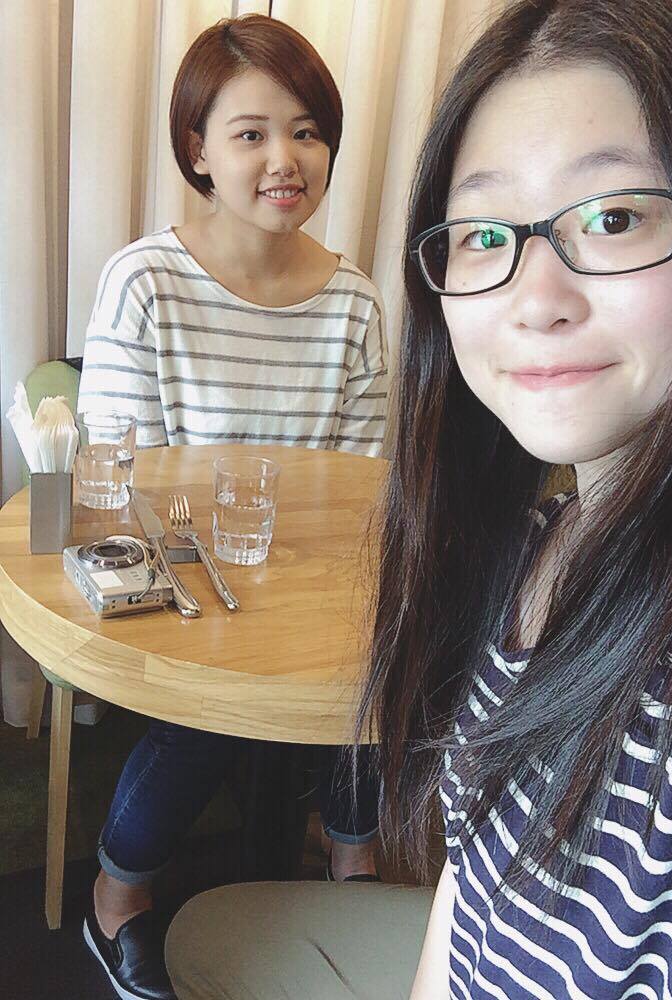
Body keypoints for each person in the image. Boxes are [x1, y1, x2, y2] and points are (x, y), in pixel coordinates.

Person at [163, 0, 672, 997]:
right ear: (198, 151)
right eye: (483, 233)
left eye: (614, 218)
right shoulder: (529, 541)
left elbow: (356, 462)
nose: (534, 297)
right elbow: (470, 879)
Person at [78, 14, 387, 1000]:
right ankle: (118, 894)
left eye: (306, 131)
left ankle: (353, 862)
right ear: (198, 150)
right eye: (251, 133)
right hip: (180, 584)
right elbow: (116, 475)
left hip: (311, 586)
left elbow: (366, 481)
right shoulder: (145, 283)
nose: (285, 159)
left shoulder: (355, 302)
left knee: (375, 673)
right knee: (208, 714)